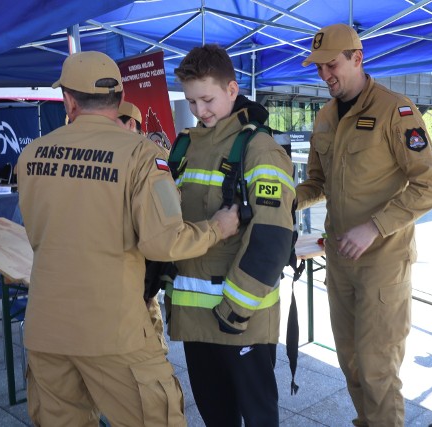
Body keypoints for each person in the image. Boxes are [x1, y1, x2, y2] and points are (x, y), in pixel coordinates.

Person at [16, 51, 239, 426]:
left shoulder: (31, 155)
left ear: (68, 101)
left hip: (46, 329)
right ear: (119, 99)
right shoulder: (141, 155)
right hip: (113, 331)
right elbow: (163, 242)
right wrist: (218, 228)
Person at [296, 24, 432, 426]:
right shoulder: (326, 116)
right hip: (341, 261)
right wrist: (287, 199)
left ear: (357, 58)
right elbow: (317, 182)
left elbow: (430, 186)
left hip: (384, 263)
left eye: (331, 65)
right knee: (351, 365)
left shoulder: (396, 111)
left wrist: (375, 227)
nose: (325, 75)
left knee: (378, 371)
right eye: (318, 68)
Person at [165, 44, 295, 427]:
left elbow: (272, 239)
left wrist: (235, 311)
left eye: (207, 99)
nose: (200, 110)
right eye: (191, 101)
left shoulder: (260, 149)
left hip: (241, 319)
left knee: (257, 418)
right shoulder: (184, 146)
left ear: (232, 89)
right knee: (215, 417)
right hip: (194, 320)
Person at [117, 100, 170, 355]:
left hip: (146, 258)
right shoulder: (113, 155)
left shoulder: (151, 155)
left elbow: (166, 211)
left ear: (130, 124)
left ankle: (157, 358)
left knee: (148, 313)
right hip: (123, 263)